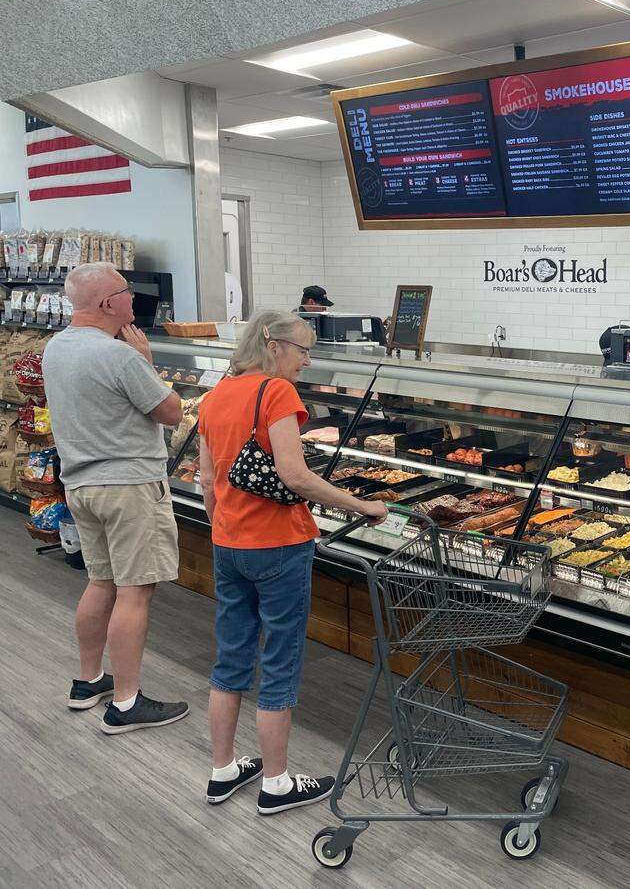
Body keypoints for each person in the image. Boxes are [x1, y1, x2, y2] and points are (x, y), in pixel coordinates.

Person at [196, 311, 387, 813]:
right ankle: (276, 783)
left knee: (230, 658)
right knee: (279, 663)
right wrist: (362, 505)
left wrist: (224, 529)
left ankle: (222, 770)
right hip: (279, 545)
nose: (306, 361)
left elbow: (207, 480)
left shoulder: (216, 395)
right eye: (303, 350)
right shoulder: (276, 392)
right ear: (273, 344)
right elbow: (295, 476)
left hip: (228, 545)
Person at [42, 263, 189, 734]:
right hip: (129, 487)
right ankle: (126, 703)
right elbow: (170, 411)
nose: (134, 300)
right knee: (135, 591)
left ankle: (88, 681)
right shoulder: (120, 356)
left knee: (100, 582)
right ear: (108, 303)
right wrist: (145, 360)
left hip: (81, 484)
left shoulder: (56, 347)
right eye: (127, 292)